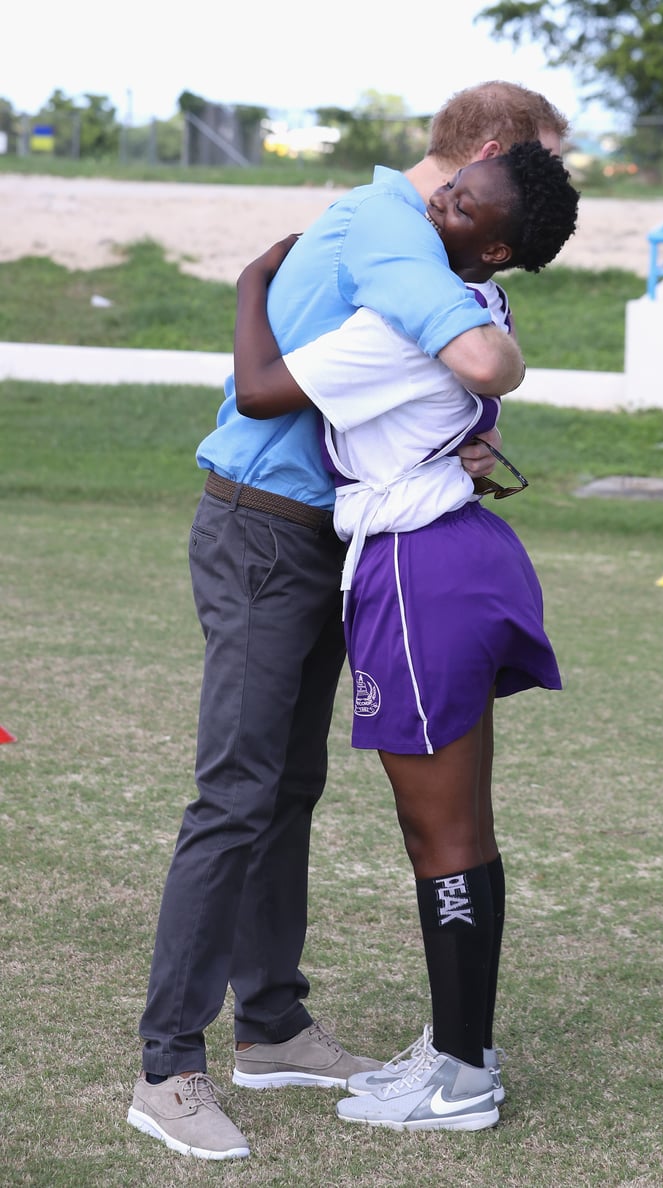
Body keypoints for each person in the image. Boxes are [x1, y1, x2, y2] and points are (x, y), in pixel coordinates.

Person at [127, 82, 570, 1160]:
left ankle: (271, 1026)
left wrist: (481, 409)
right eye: (537, 161)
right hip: (268, 530)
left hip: (351, 540)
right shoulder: (390, 230)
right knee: (237, 792)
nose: (453, 203)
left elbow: (473, 361)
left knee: (289, 788)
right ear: (491, 150)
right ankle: (167, 1067)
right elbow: (278, 388)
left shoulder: (432, 261)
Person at [230, 140, 580, 1131]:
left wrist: (256, 279)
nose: (440, 208)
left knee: (442, 832)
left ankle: (460, 1080)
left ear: (498, 247)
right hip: (457, 554)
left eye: (465, 209)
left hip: (419, 568)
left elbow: (259, 389)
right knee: (458, 824)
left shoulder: (404, 326)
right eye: (448, 190)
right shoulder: (474, 309)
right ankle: (461, 1048)